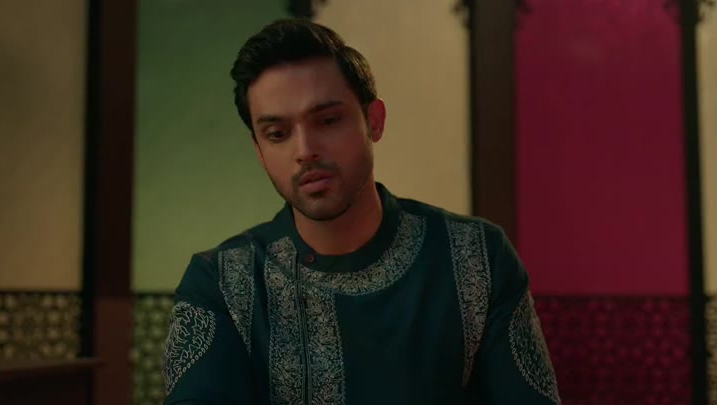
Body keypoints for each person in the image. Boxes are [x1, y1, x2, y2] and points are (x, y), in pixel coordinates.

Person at [162, 18, 560, 405]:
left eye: (328, 120)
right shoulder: (222, 282)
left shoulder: (477, 257)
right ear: (260, 151)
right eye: (278, 134)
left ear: (374, 120)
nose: (305, 150)